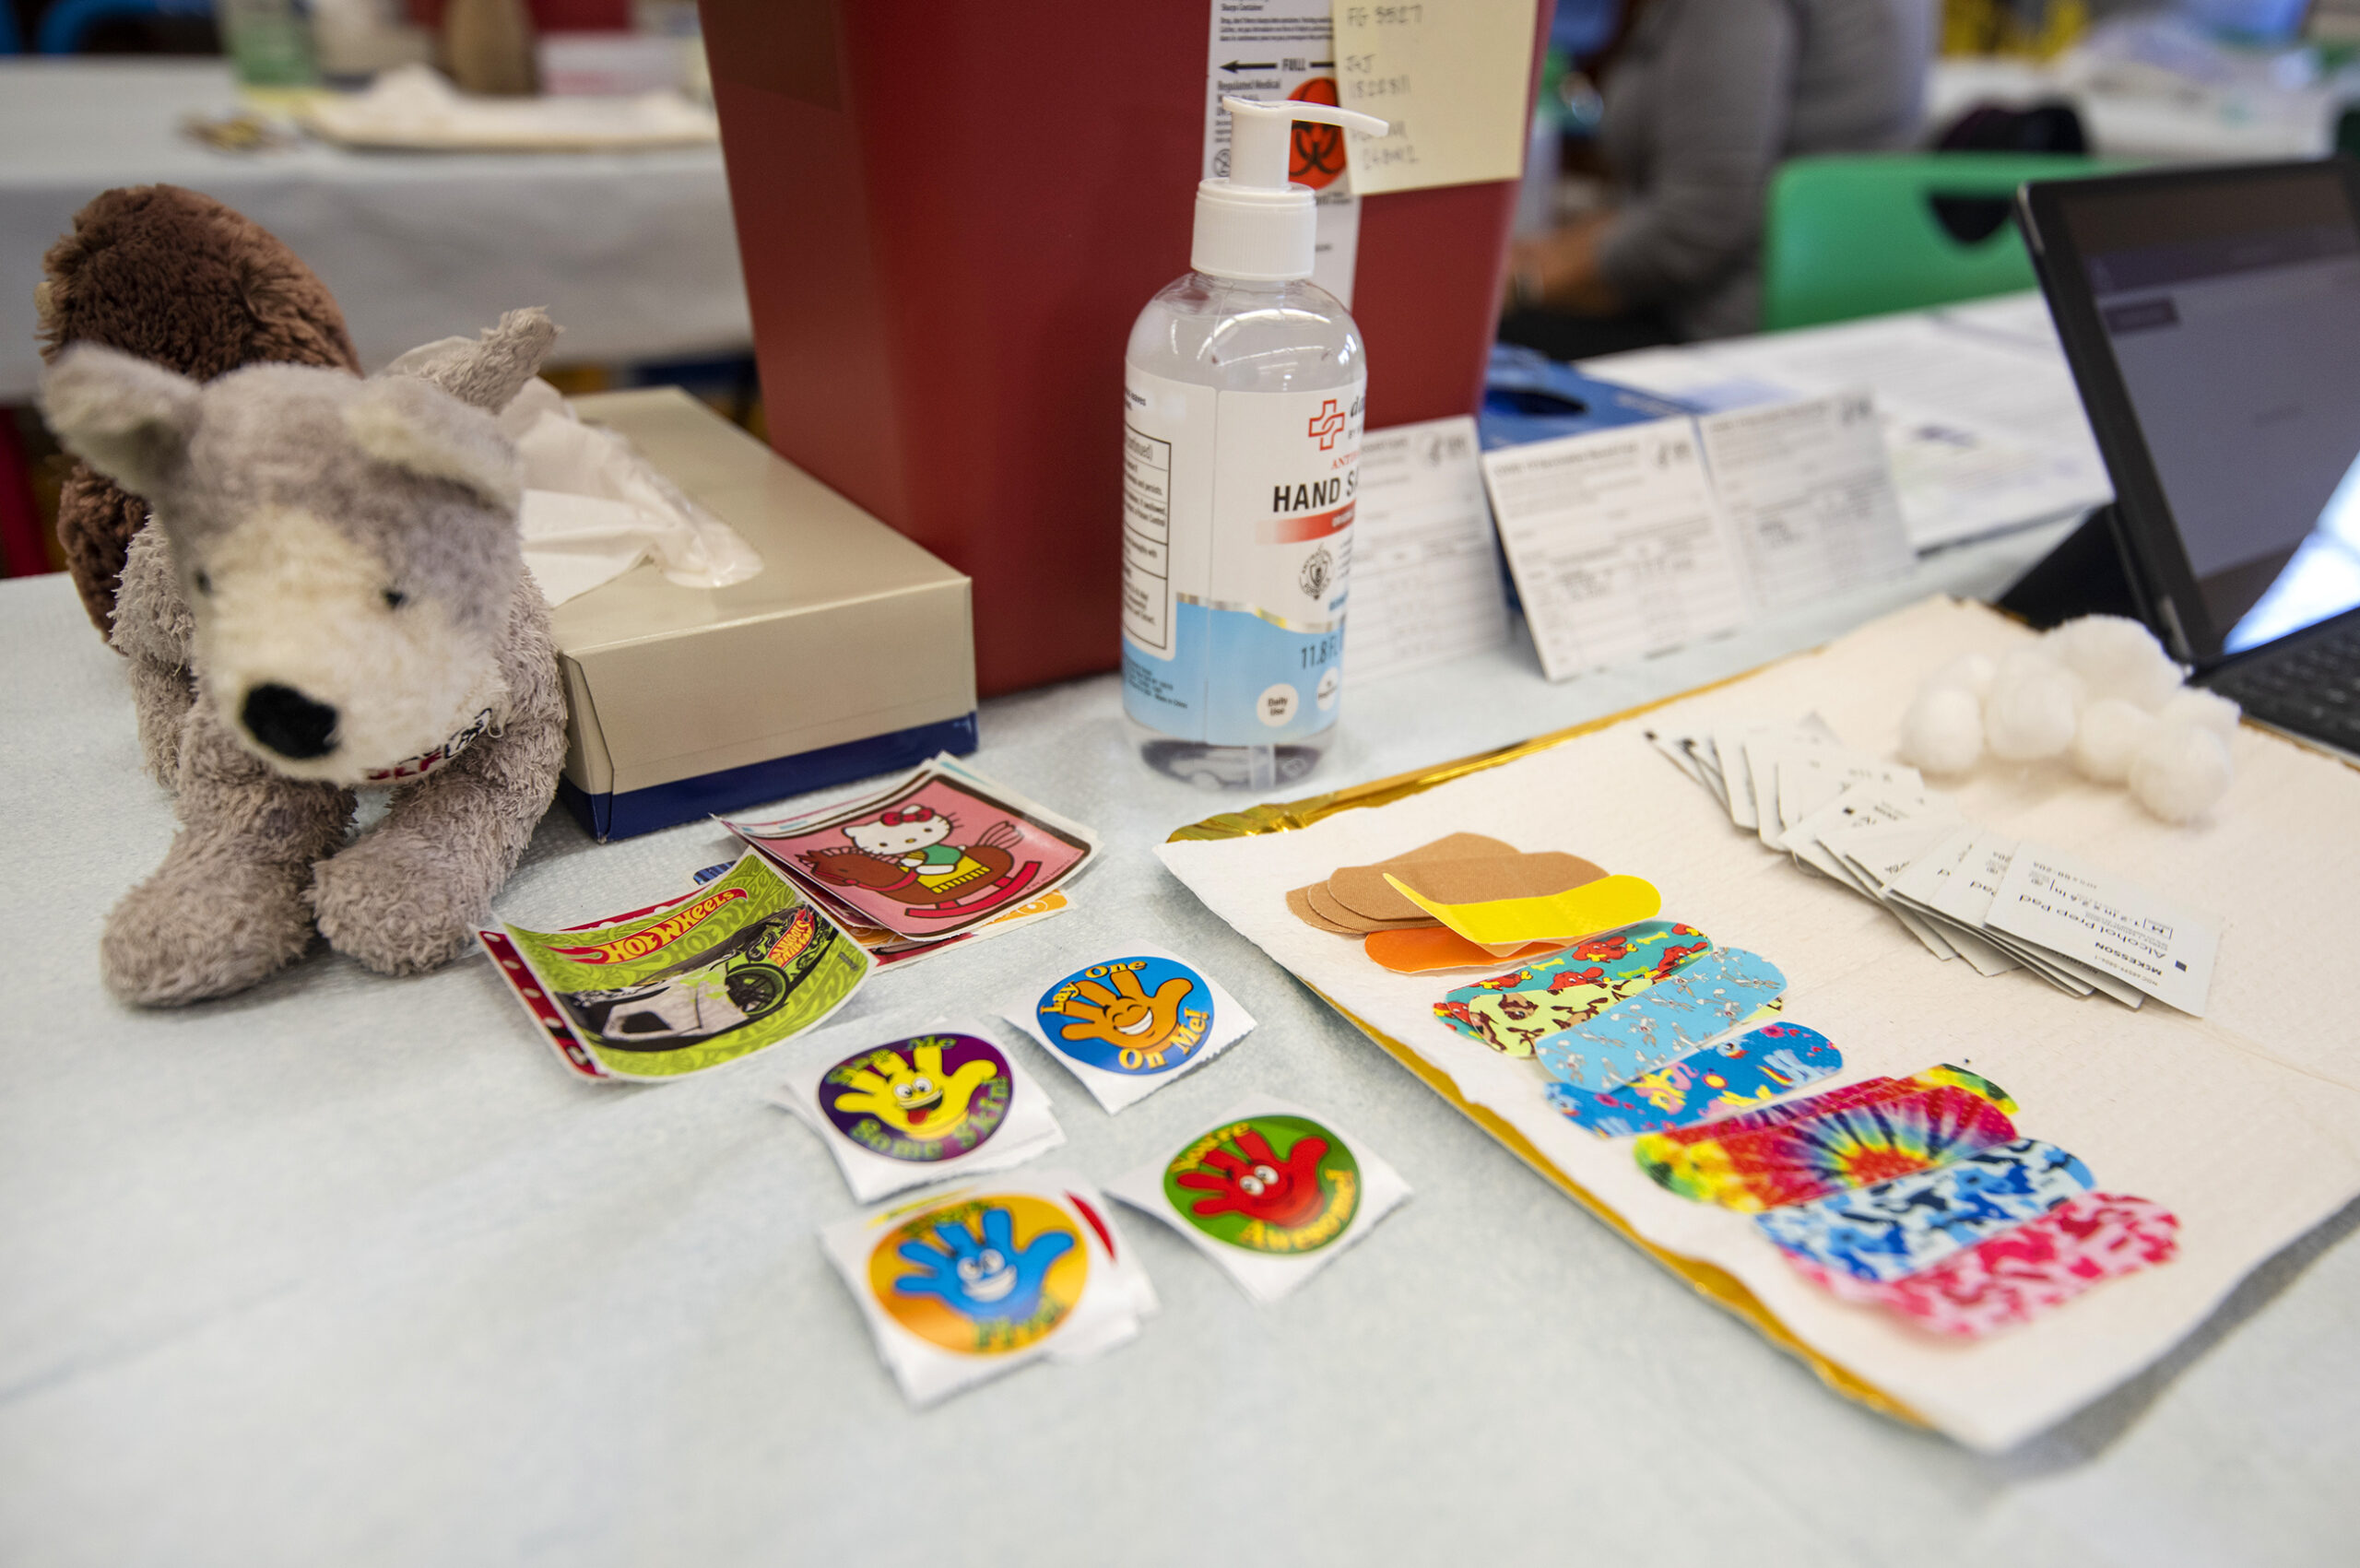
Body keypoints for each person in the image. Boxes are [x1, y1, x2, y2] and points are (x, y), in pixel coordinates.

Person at [1504, 0, 1935, 358]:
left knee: (1483, 342)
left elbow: (1696, 225)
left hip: (1726, 328)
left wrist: (1524, 283)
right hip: (1855, 310)